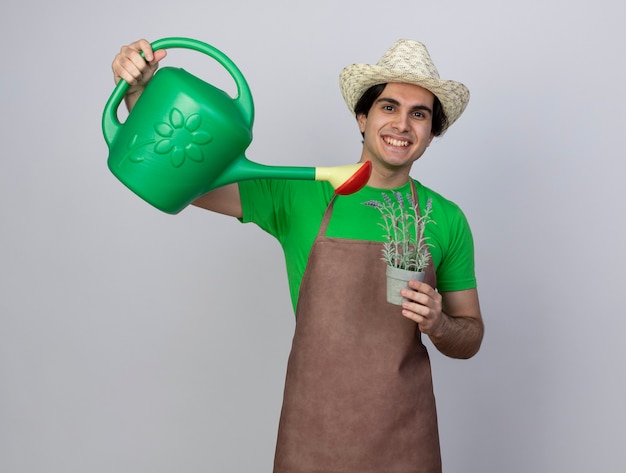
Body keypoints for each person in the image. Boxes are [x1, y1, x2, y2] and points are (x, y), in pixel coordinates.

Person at [112, 37, 484, 473]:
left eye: (419, 114)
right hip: (313, 432)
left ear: (431, 133)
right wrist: (140, 92)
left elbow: (470, 337)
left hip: (405, 435)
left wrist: (440, 323)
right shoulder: (298, 193)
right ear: (362, 118)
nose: (402, 124)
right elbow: (183, 175)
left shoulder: (446, 219)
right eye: (389, 107)